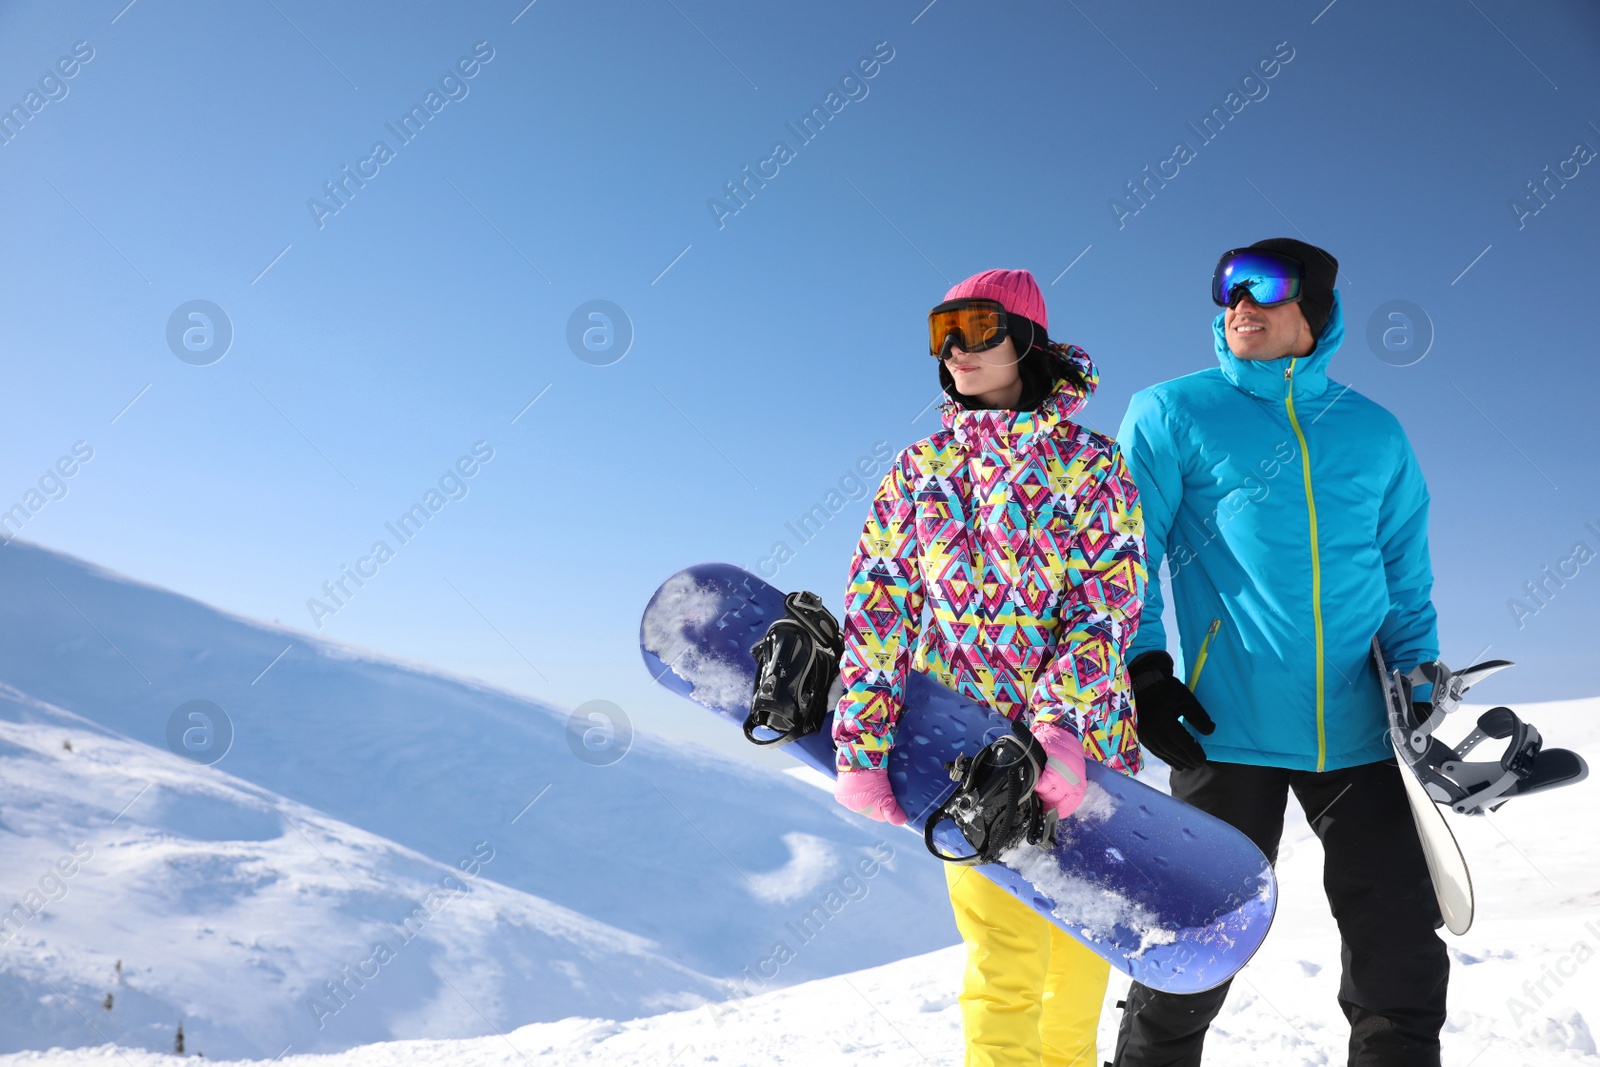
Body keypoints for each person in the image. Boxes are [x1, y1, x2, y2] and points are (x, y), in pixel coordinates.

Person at [1111, 239, 1447, 1067]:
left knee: (1398, 947)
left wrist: (1419, 676)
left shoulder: (1374, 431)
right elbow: (1123, 556)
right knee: (1190, 948)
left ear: (1318, 310)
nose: (1239, 304)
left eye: (1264, 287)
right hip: (1225, 726)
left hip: (1366, 733)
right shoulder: (1171, 410)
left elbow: (1405, 575)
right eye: (1226, 288)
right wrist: (1146, 670)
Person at [831, 268, 1147, 1067]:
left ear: (1026, 339)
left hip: (1085, 756)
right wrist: (862, 743)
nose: (955, 352)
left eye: (975, 328)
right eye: (941, 333)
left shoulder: (1094, 465)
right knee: (1002, 965)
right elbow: (880, 609)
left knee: (1073, 970)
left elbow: (1103, 608)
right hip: (971, 754)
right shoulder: (919, 469)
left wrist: (1060, 724)